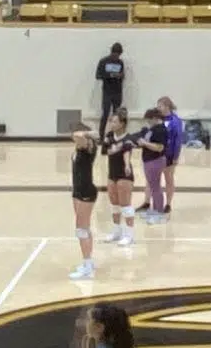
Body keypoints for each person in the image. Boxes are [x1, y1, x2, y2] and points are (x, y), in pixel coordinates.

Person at [67, 122, 100, 281]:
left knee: (81, 229)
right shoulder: (80, 149)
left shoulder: (89, 146)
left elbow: (78, 136)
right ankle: (89, 262)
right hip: (78, 190)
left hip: (86, 190)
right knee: (84, 228)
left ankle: (87, 267)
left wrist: (87, 133)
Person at [101, 110, 137, 247]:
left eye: (115, 121)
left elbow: (126, 153)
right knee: (114, 205)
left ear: (122, 124)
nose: (112, 124)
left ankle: (129, 235)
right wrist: (114, 148)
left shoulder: (128, 138)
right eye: (111, 121)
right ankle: (117, 232)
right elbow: (105, 151)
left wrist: (127, 165)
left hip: (124, 175)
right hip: (112, 173)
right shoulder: (109, 135)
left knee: (125, 205)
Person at [137, 106, 170, 221]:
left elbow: (160, 147)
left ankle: (159, 211)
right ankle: (155, 209)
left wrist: (145, 144)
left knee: (156, 187)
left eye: (149, 120)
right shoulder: (152, 129)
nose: (148, 122)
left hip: (155, 160)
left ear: (155, 118)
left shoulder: (160, 130)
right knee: (152, 186)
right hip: (148, 160)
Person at [158, 96, 185, 215]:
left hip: (169, 154)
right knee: (152, 180)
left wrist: (175, 157)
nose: (158, 108)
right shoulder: (158, 119)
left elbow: (178, 140)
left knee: (168, 178)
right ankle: (150, 202)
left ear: (167, 106)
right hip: (157, 154)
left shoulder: (175, 120)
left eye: (160, 106)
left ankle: (168, 203)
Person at [95, 42, 126, 127]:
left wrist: (121, 76)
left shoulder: (120, 62)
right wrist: (111, 75)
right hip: (107, 91)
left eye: (118, 55)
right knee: (105, 114)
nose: (117, 57)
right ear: (112, 52)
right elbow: (98, 75)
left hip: (118, 92)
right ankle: (101, 136)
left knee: (117, 115)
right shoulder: (103, 61)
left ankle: (114, 135)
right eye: (115, 55)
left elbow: (122, 75)